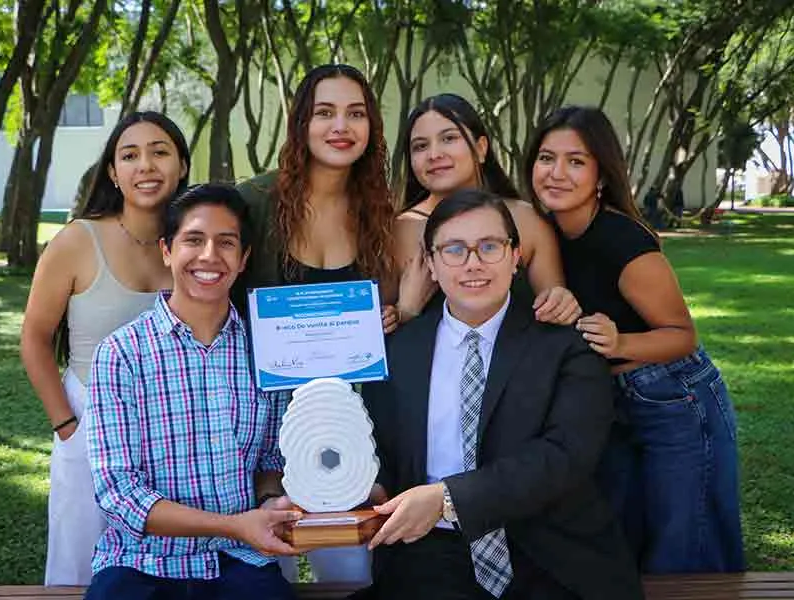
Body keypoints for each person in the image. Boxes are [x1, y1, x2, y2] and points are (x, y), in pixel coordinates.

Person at [360, 190, 643, 599]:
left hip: (549, 552)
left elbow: (566, 456)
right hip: (431, 552)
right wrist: (369, 487)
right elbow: (383, 454)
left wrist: (449, 499)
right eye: (454, 249)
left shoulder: (567, 346)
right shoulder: (396, 352)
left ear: (515, 257)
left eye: (490, 246)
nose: (473, 263)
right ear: (431, 264)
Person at [523, 105, 744, 573]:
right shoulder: (546, 233)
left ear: (601, 175)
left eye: (576, 161)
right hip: (609, 402)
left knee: (686, 544)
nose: (556, 173)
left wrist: (620, 342)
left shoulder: (622, 241)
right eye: (546, 158)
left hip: (675, 398)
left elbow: (683, 336)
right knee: (626, 542)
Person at [83, 184, 300, 599]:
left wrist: (270, 500)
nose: (209, 256)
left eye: (226, 243)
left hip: (239, 561)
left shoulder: (266, 352)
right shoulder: (121, 353)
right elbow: (119, 493)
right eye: (194, 240)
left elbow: (271, 459)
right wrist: (233, 525)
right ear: (167, 251)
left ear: (244, 259)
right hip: (142, 562)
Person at [20, 111, 190, 585]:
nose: (145, 166)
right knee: (79, 563)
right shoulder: (78, 241)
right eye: (130, 156)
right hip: (90, 423)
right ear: (113, 172)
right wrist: (67, 426)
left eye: (159, 152)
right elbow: (34, 336)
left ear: (181, 164)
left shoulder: (194, 241)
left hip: (173, 426)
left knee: (163, 565)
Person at [235, 63, 398, 335]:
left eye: (356, 114)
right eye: (324, 113)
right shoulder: (253, 201)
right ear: (301, 123)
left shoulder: (378, 208)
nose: (341, 126)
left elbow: (382, 301)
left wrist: (391, 314)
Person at [393, 93, 579, 326]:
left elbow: (556, 313)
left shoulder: (526, 220)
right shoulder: (399, 230)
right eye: (420, 146)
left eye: (449, 138)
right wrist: (405, 312)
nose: (434, 155)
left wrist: (561, 304)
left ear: (481, 148)